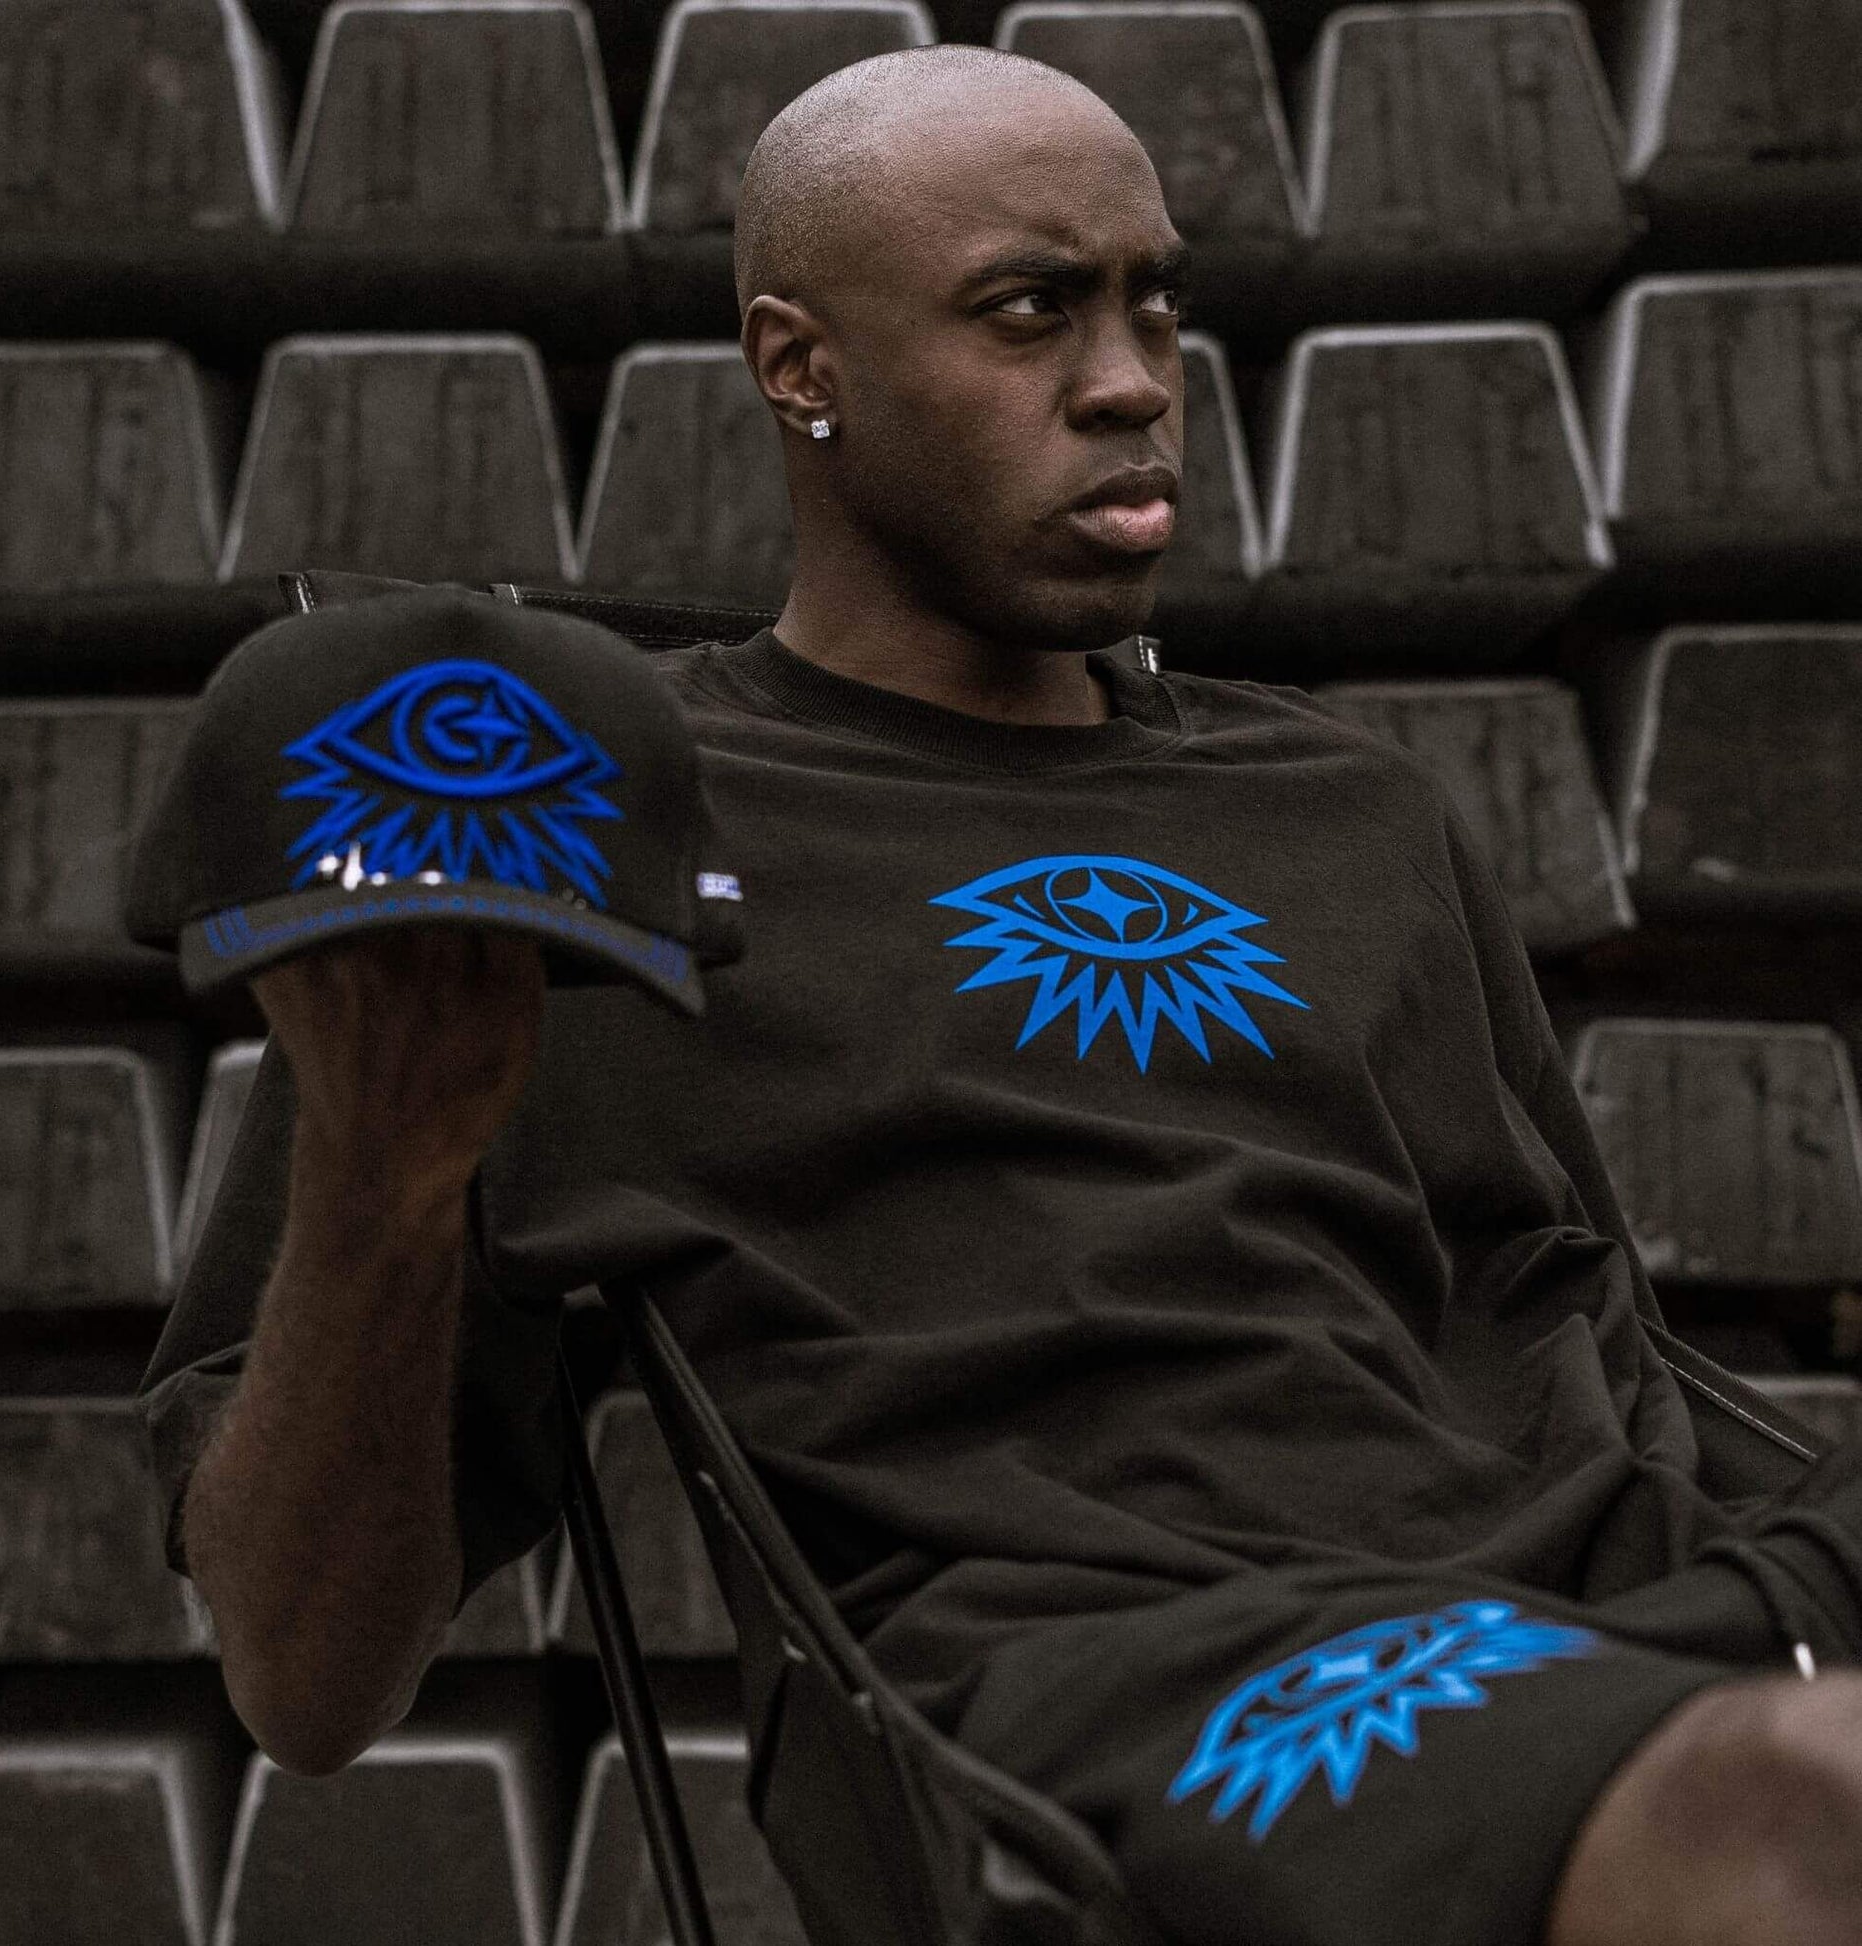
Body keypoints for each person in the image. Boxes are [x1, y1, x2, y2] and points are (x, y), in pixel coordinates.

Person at [139, 46, 1862, 1946]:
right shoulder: (588, 830)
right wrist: (383, 1160)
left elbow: (1595, 1335)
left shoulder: (1353, 805)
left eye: (1155, 302)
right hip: (1142, 1705)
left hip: (1635, 1612)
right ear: (802, 367)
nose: (1131, 382)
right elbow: (304, 1680)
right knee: (1801, 1806)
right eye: (1030, 311)